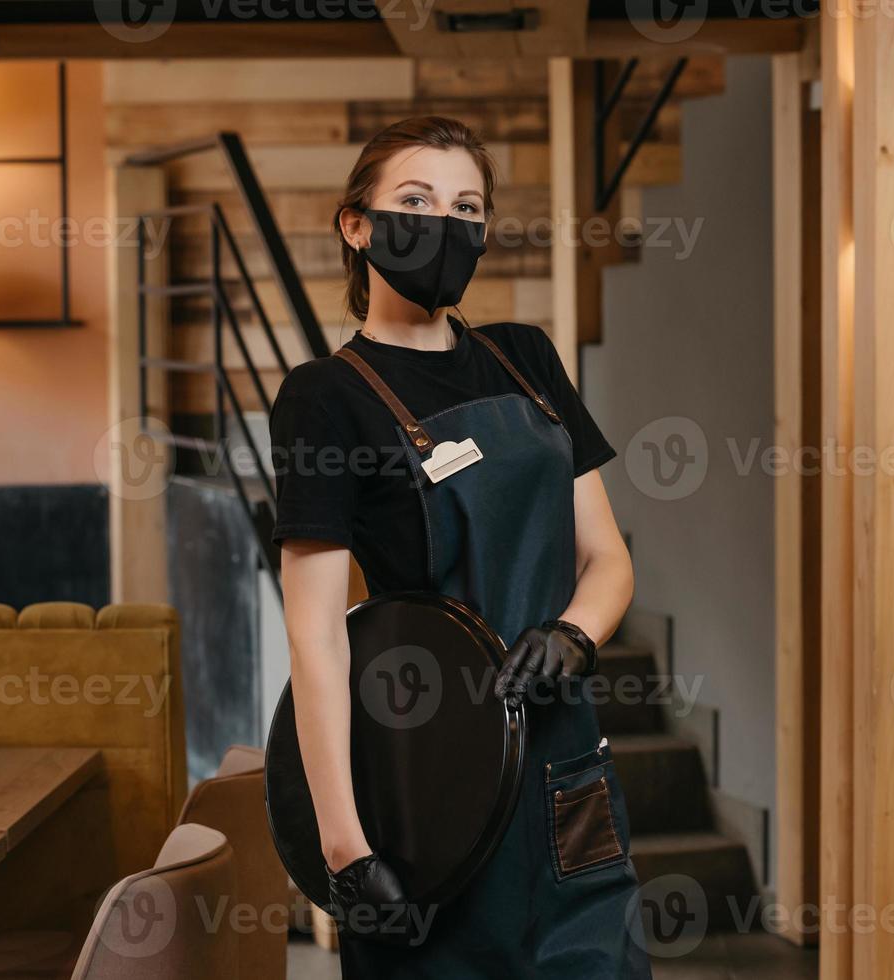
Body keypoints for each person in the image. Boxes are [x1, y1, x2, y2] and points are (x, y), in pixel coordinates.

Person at [269, 115, 651, 979]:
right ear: (355, 226)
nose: (443, 223)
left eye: (465, 205)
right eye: (415, 200)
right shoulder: (326, 398)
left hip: (564, 772)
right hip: (426, 780)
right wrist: (344, 852)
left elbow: (608, 559)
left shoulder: (526, 360)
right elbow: (318, 638)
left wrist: (575, 635)